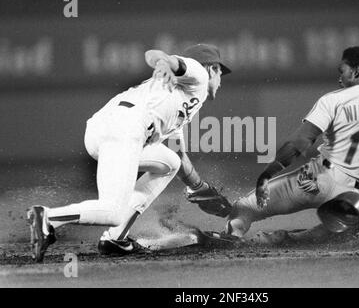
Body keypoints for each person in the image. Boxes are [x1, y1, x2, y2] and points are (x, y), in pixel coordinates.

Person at [27, 43, 231, 262]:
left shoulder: (178, 100)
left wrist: (199, 188)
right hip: (124, 128)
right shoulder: (199, 74)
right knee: (112, 212)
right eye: (220, 71)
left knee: (169, 162)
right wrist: (163, 62)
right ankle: (48, 218)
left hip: (109, 129)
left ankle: (115, 239)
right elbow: (158, 55)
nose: (221, 79)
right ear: (211, 69)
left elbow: (178, 156)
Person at [223, 46, 359, 245]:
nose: (339, 78)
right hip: (351, 199)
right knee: (358, 221)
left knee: (244, 209)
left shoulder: (334, 99)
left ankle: (231, 241)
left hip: (314, 179)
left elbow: (299, 143)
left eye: (342, 71)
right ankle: (291, 240)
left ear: (356, 71)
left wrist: (266, 175)